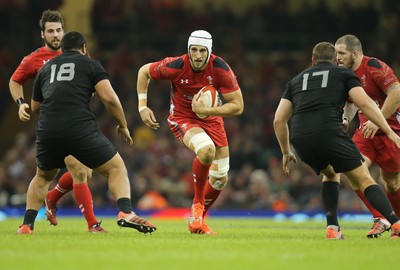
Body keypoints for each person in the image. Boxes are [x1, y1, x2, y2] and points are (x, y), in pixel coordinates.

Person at [16, 31, 156, 235]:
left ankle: (27, 225)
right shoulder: (90, 64)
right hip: (79, 127)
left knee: (43, 177)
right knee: (115, 168)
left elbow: (35, 106)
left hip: (48, 129)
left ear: (61, 50)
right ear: (83, 48)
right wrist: (123, 125)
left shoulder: (46, 69)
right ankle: (125, 211)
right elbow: (110, 99)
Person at [273, 41, 400, 239]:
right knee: (364, 177)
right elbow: (365, 103)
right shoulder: (344, 74)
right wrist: (389, 131)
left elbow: (279, 120)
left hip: (300, 138)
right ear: (334, 60)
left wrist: (285, 151)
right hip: (329, 132)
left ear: (312, 60)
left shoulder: (296, 80)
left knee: (331, 173)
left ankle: (332, 228)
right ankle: (395, 223)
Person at [136, 30, 243, 235]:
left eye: (202, 51)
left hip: (212, 119)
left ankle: (197, 221)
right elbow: (144, 72)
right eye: (193, 50)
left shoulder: (220, 68)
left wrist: (209, 111)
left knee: (221, 177)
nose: (197, 55)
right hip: (183, 118)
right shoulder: (176, 65)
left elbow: (238, 106)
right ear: (188, 50)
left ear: (209, 51)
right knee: (206, 150)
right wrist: (142, 106)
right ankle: (197, 205)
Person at [9, 9, 103, 232]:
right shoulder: (34, 59)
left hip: (77, 121)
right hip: (52, 123)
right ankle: (92, 224)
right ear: (43, 34)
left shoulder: (75, 54)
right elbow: (15, 80)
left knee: (84, 172)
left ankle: (51, 199)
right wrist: (21, 103)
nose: (56, 35)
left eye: (59, 30)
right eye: (50, 31)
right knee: (75, 171)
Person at [322, 34, 400, 238]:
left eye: (341, 53)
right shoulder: (343, 74)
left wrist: (378, 120)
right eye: (335, 53)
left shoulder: (374, 66)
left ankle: (397, 226)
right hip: (366, 132)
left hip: (391, 131)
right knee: (353, 169)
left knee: (391, 183)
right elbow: (350, 102)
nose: (336, 57)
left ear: (355, 54)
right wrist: (346, 119)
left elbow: (396, 92)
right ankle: (380, 218)